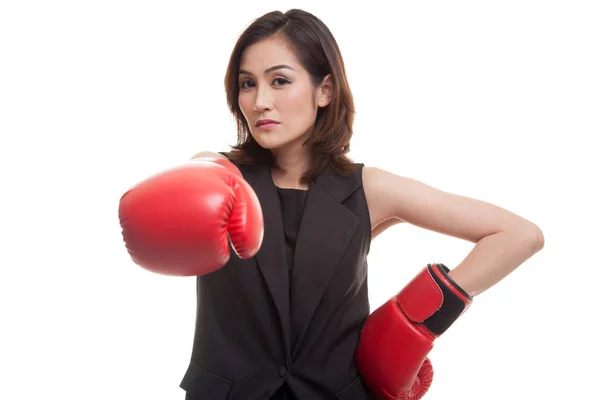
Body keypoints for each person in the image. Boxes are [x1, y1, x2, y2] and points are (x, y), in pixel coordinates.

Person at [118, 9, 545, 400]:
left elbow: (519, 234)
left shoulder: (368, 189)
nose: (260, 100)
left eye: (279, 80)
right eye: (248, 83)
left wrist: (416, 321)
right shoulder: (219, 175)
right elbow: (198, 170)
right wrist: (203, 174)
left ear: (324, 90)